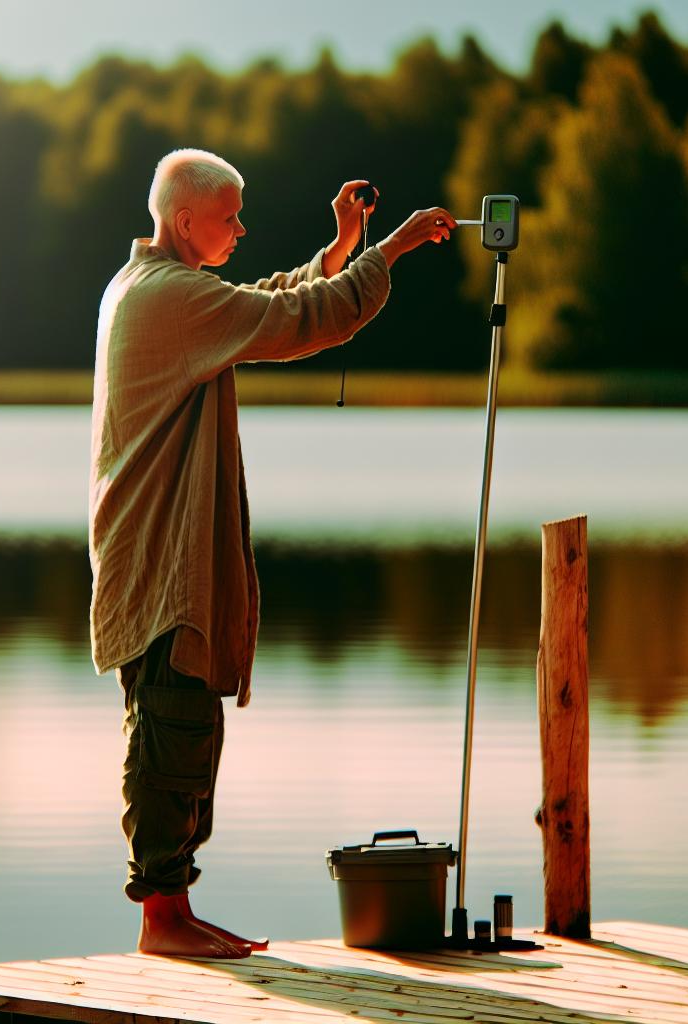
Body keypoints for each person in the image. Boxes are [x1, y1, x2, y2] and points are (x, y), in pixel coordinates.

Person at [89, 148, 456, 959]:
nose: (241, 229)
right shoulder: (172, 299)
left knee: (179, 725)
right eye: (230, 217)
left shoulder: (150, 287)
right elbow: (300, 321)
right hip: (160, 560)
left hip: (144, 558)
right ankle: (162, 922)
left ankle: (173, 911)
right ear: (186, 222)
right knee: (171, 730)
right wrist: (385, 252)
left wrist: (338, 250)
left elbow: (253, 302)